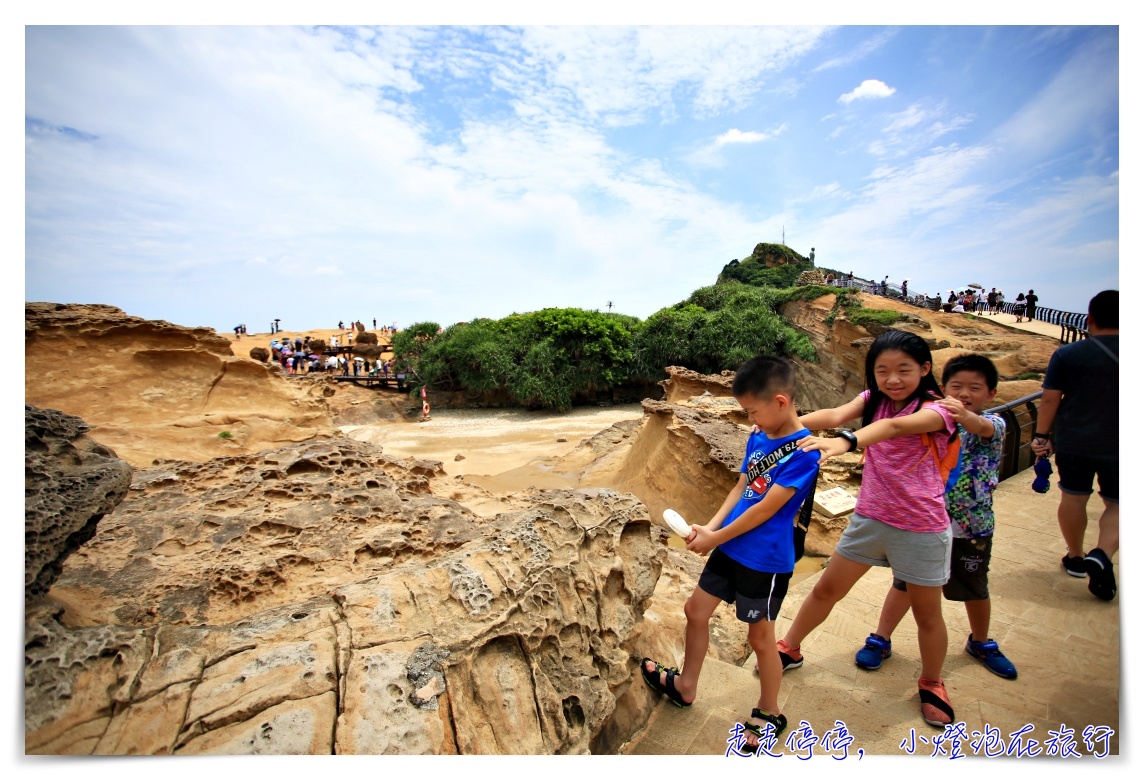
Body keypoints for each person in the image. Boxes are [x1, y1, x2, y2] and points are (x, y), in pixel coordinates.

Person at [779, 330, 960, 727]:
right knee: (826, 589)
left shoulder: (939, 409)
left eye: (903, 370)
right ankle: (790, 648)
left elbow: (894, 429)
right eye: (882, 371)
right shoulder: (873, 399)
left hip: (921, 527)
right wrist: (781, 427)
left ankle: (931, 682)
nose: (892, 379)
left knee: (928, 615)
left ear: (925, 369)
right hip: (870, 518)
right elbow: (833, 416)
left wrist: (847, 441)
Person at [640, 356, 820, 752]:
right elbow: (741, 489)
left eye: (752, 410)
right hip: (730, 547)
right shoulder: (760, 435)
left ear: (780, 402)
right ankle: (686, 685)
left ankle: (769, 710)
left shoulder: (804, 453)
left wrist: (717, 537)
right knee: (695, 611)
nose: (750, 418)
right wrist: (710, 527)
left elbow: (766, 508)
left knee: (761, 638)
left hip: (765, 561)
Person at [850, 353, 1016, 680]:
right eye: (957, 386)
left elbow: (978, 424)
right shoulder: (932, 416)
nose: (965, 393)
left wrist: (963, 414)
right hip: (921, 524)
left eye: (975, 388)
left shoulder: (994, 424)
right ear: (943, 388)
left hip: (970, 526)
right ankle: (881, 638)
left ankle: (981, 642)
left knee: (974, 586)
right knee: (904, 586)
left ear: (991, 394)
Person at [1032, 290, 1118, 601]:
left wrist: (1042, 435)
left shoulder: (1069, 354)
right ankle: (1104, 554)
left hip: (1074, 439)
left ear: (1090, 318)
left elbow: (1051, 398)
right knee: (1119, 504)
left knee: (1074, 497)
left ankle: (1077, 556)